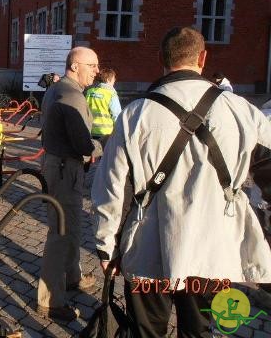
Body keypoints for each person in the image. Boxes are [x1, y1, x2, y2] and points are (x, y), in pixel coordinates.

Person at [92, 27, 271, 337]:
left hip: (149, 250)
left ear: (161, 58)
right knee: (200, 331)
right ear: (203, 57)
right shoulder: (243, 110)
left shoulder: (135, 114)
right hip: (213, 253)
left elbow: (111, 189)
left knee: (146, 332)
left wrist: (107, 248)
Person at [36, 46, 103, 323]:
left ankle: (72, 277)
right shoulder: (72, 95)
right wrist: (101, 146)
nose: (97, 71)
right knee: (61, 232)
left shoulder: (56, 88)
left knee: (71, 225)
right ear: (75, 66)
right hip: (65, 168)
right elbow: (83, 144)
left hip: (58, 164)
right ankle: (49, 300)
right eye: (93, 65)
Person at [85, 68, 121, 147]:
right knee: (104, 157)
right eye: (114, 79)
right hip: (106, 133)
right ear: (108, 80)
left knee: (93, 154)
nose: (114, 82)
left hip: (90, 130)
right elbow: (116, 114)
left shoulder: (89, 92)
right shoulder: (111, 94)